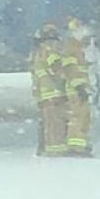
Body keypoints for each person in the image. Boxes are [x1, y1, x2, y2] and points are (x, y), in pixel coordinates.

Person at [29, 23, 68, 157]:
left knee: (45, 123)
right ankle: (55, 150)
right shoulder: (50, 50)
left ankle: (43, 148)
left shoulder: (37, 53)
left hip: (43, 94)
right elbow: (56, 68)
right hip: (55, 93)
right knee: (55, 123)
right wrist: (69, 78)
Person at [61, 17, 94, 157]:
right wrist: (79, 86)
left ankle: (81, 144)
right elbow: (70, 69)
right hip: (76, 90)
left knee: (83, 117)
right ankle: (75, 147)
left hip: (81, 88)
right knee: (77, 117)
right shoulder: (72, 48)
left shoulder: (78, 48)